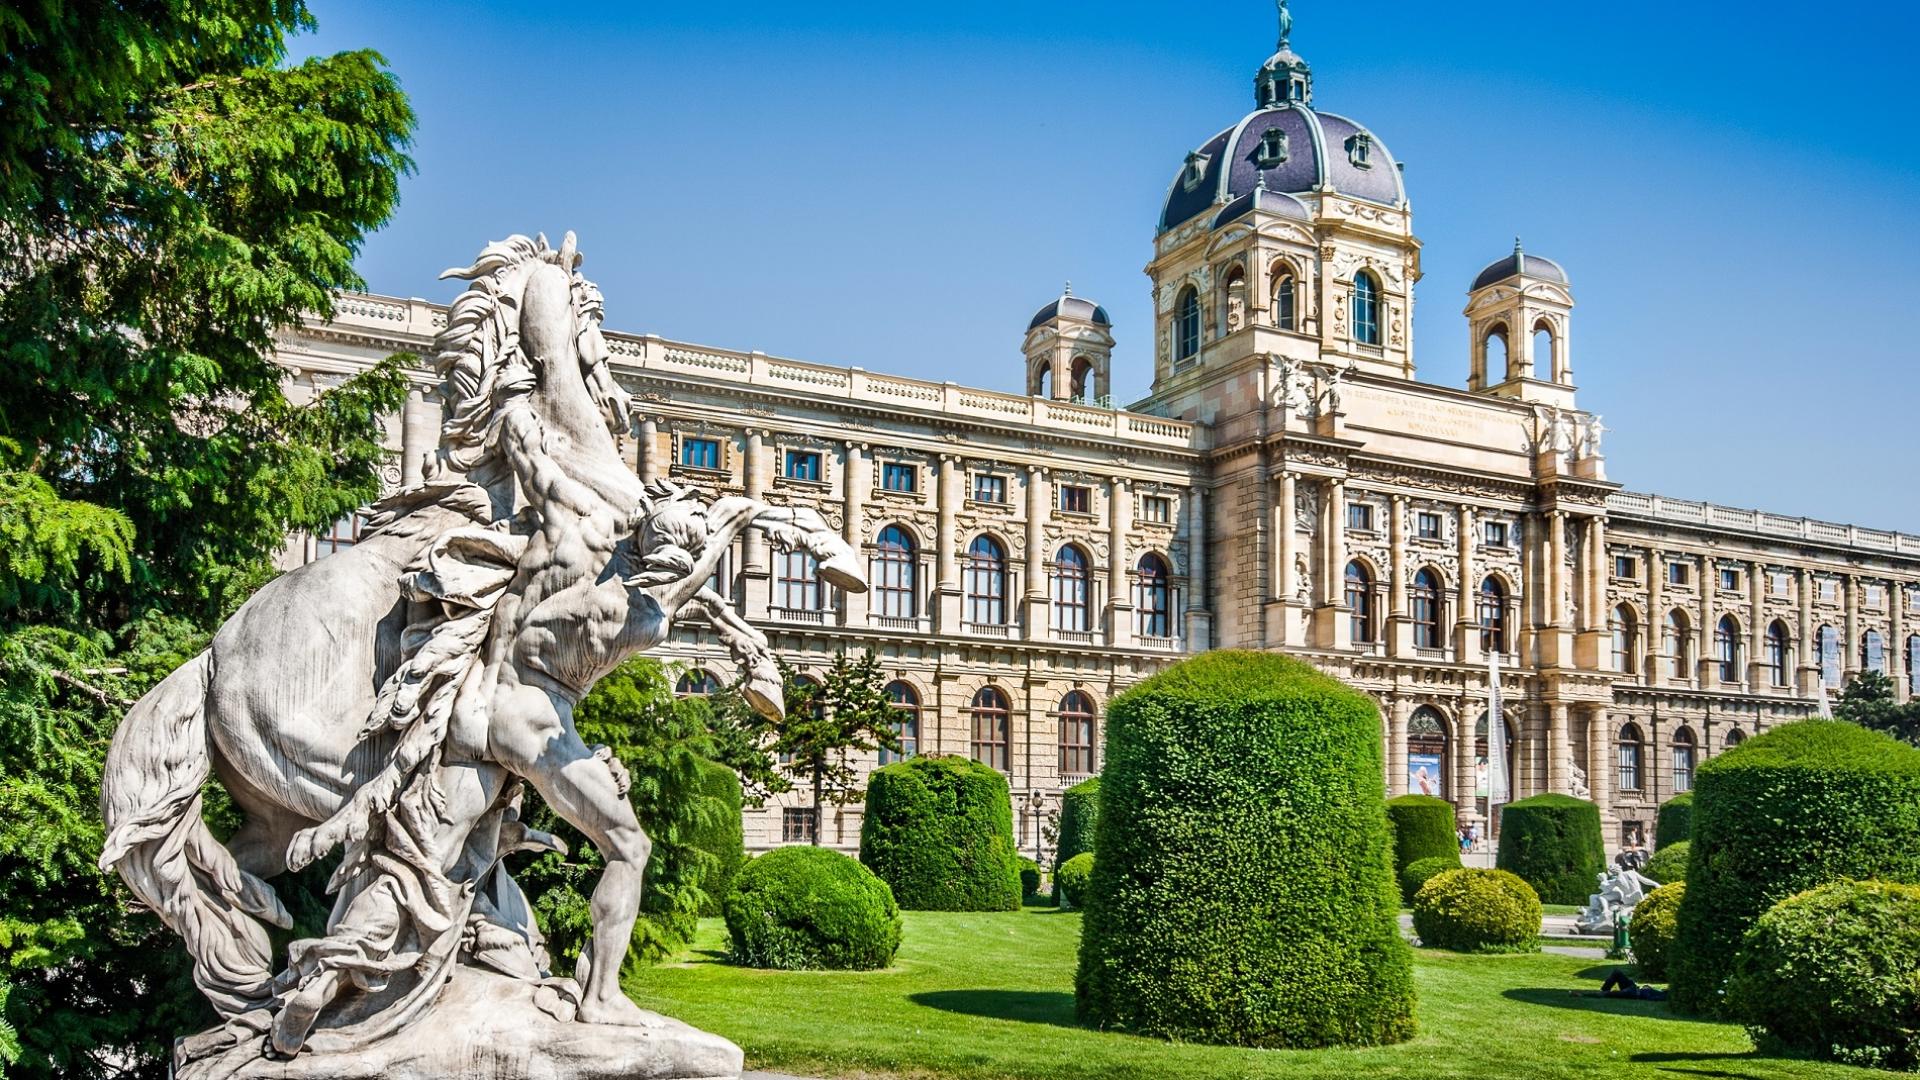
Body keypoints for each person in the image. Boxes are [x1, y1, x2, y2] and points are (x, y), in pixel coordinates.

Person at [1575, 969, 1667, 1001]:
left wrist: (1644, 993)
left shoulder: (1665, 996)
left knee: (1609, 994)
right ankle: (1604, 990)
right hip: (1634, 988)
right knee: (1617, 972)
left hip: (1634, 993)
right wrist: (1648, 988)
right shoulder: (1662, 991)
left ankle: (1583, 994)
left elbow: (1652, 998)